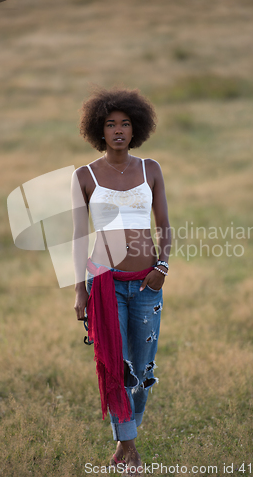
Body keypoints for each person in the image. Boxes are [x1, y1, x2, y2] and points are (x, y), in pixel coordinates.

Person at [72, 87, 171, 475]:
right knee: (117, 366)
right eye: (110, 124)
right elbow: (80, 238)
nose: (118, 130)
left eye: (125, 124)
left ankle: (124, 443)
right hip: (104, 284)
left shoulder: (150, 169)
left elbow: (163, 225)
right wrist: (80, 289)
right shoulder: (85, 175)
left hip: (147, 284)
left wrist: (161, 268)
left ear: (136, 129)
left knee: (142, 372)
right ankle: (128, 448)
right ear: (99, 129)